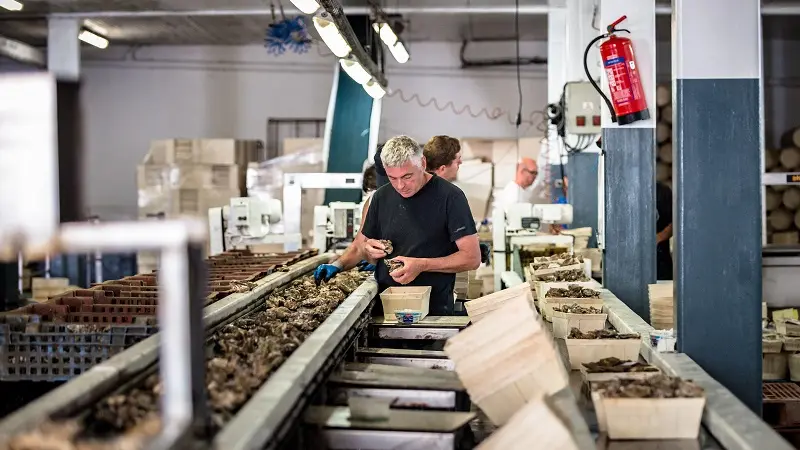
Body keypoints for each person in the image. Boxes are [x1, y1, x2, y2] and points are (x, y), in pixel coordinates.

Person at [358, 136, 481, 315]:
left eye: (407, 176)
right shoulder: (380, 198)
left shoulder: (450, 197)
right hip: (386, 309)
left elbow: (472, 258)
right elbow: (365, 248)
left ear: (422, 163)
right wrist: (369, 250)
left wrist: (422, 265)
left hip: (433, 310)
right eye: (392, 178)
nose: (400, 186)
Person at [314, 162, 380, 282]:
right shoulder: (372, 202)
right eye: (370, 191)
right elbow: (359, 245)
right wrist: (337, 265)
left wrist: (384, 262)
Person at [656, 181, 673, 280]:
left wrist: (658, 238)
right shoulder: (627, 189)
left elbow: (676, 222)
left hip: (660, 261)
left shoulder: (663, 191)